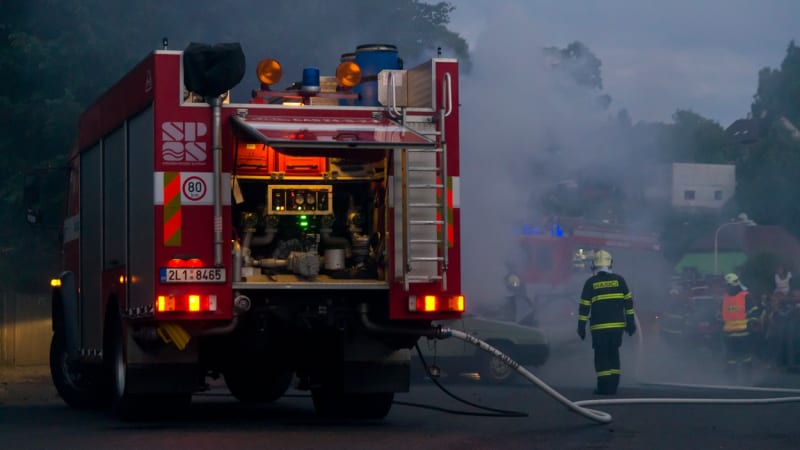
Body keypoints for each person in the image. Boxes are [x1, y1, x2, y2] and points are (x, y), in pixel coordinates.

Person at [576, 249, 636, 395]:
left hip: (599, 328)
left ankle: (604, 388)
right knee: (613, 354)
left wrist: (581, 327)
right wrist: (630, 323)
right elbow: (629, 304)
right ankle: (613, 387)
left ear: (594, 265)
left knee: (601, 356)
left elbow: (584, 307)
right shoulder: (620, 280)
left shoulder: (591, 283)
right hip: (617, 328)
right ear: (610, 264)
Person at [720, 273, 762, 384]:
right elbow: (721, 315)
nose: (726, 288)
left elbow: (754, 312)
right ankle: (732, 383)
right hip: (729, 336)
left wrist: (753, 322)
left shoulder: (745, 296)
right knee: (731, 360)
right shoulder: (725, 298)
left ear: (733, 285)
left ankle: (747, 382)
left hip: (744, 335)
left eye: (728, 285)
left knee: (746, 358)